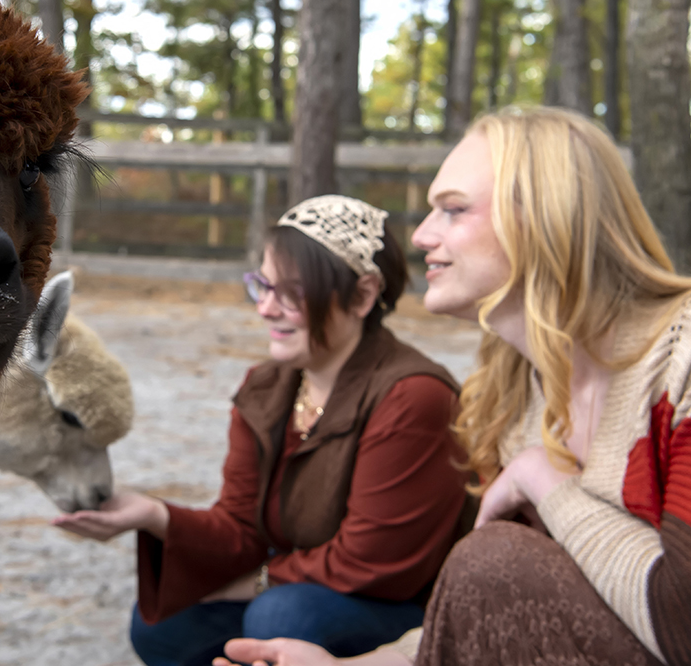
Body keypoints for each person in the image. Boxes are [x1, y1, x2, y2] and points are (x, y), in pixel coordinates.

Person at [213, 106, 691, 666]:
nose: (421, 235)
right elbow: (505, 612)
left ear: (544, 215)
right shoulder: (512, 396)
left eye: (453, 210)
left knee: (492, 556)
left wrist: (543, 479)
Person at [54, 195, 469, 666]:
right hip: (303, 589)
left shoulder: (413, 396)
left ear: (362, 295)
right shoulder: (267, 387)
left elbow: (370, 562)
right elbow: (241, 528)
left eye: (291, 292)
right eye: (263, 287)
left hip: (404, 614)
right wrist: (153, 515)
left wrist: (256, 583)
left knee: (281, 616)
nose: (266, 309)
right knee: (161, 626)